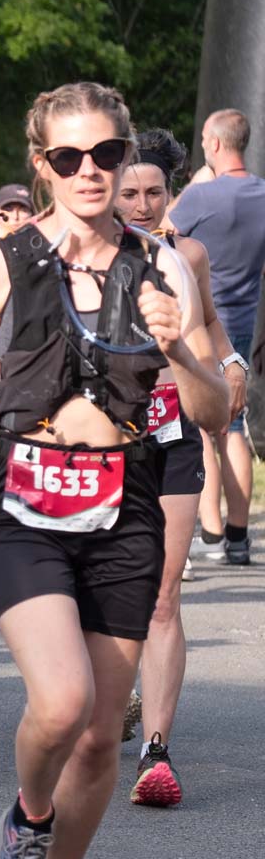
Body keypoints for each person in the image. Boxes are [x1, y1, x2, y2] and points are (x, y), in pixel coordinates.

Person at [0, 82, 228, 859]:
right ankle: (28, 813)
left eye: (107, 154)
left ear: (127, 158)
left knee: (97, 742)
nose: (91, 171)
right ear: (42, 164)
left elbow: (214, 412)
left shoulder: (163, 267)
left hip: (127, 504)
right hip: (26, 501)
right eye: (69, 156)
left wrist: (181, 351)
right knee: (63, 705)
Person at [117, 128, 245, 807]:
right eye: (129, 191)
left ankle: (156, 751)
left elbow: (212, 325)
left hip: (168, 435)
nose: (140, 204)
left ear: (173, 193)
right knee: (106, 599)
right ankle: (109, 697)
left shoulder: (186, 255)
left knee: (164, 597)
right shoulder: (79, 258)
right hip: (95, 444)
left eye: (153, 192)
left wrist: (228, 363)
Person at [166, 108, 264, 565]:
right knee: (235, 428)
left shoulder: (201, 197)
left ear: (216, 144)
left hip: (200, 320)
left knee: (201, 423)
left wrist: (192, 185)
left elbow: (157, 227)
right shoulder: (262, 192)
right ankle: (239, 536)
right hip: (246, 320)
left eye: (205, 139)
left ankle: (210, 533)